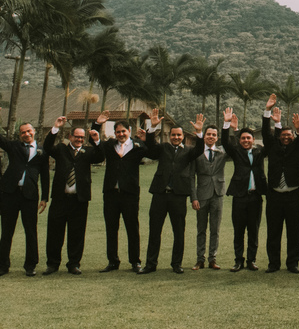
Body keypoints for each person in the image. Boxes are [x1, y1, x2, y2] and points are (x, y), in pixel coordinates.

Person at [0, 99, 49, 277]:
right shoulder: (13, 146)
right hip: (10, 194)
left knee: (31, 231)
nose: (26, 134)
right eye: (23, 132)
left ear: (34, 131)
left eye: (29, 131)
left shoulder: (42, 151)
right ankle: (2, 265)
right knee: (7, 231)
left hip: (30, 196)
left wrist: (45, 197)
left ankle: (30, 265)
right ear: (20, 135)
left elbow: (45, 175)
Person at [142, 110, 208, 274]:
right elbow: (150, 146)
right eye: (173, 135)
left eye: (179, 135)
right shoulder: (163, 148)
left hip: (178, 196)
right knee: (154, 231)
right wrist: (152, 127)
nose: (176, 137)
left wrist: (199, 132)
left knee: (179, 232)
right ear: (169, 136)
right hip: (160, 194)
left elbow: (200, 149)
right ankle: (150, 264)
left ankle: (176, 264)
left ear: (183, 137)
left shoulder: (189, 151)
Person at [42, 117, 104, 275]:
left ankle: (74, 264)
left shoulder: (88, 152)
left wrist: (97, 140)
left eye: (82, 138)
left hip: (79, 200)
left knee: (77, 233)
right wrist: (55, 128)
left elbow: (101, 157)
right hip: (60, 199)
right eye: (77, 137)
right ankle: (52, 264)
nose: (79, 140)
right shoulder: (61, 149)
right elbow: (47, 147)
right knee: (55, 232)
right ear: (70, 136)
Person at [91, 111, 151, 273]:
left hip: (130, 194)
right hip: (111, 194)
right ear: (115, 133)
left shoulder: (138, 146)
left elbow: (153, 152)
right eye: (118, 132)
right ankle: (113, 261)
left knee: (132, 228)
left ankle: (135, 262)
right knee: (111, 228)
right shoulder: (110, 146)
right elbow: (94, 140)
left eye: (123, 131)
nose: (121, 134)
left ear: (129, 131)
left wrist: (148, 139)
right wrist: (97, 124)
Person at [263, 95, 299, 273]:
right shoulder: (272, 147)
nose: (286, 137)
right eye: (283, 135)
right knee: (273, 231)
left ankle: (292, 263)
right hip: (274, 195)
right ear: (279, 136)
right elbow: (266, 133)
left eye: (289, 135)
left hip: (294, 195)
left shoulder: (298, 147)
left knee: (294, 231)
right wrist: (267, 111)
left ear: (293, 137)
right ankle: (273, 263)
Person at [221, 107, 266, 272]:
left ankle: (251, 260)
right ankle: (238, 260)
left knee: (253, 230)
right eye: (243, 138)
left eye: (248, 138)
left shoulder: (259, 152)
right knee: (239, 231)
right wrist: (227, 124)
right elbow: (225, 142)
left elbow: (270, 140)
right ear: (239, 140)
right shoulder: (237, 152)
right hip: (239, 197)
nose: (246, 140)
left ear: (253, 140)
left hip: (255, 197)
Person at [190, 121, 226, 270]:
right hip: (202, 195)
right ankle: (200, 259)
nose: (211, 137)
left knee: (215, 229)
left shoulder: (222, 152)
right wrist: (194, 197)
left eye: (214, 135)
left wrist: (230, 127)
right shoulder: (197, 153)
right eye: (208, 134)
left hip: (218, 194)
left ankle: (212, 259)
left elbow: (233, 145)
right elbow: (191, 177)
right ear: (204, 136)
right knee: (201, 229)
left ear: (217, 137)